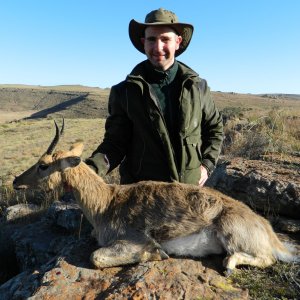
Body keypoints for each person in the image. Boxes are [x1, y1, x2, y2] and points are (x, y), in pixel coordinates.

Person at [86, 8, 223, 186]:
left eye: (165, 39)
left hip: (188, 195)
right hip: (142, 198)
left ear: (178, 42)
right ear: (144, 43)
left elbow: (214, 129)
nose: (158, 47)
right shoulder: (124, 92)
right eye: (152, 39)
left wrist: (206, 165)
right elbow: (115, 144)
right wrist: (89, 170)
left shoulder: (198, 87)